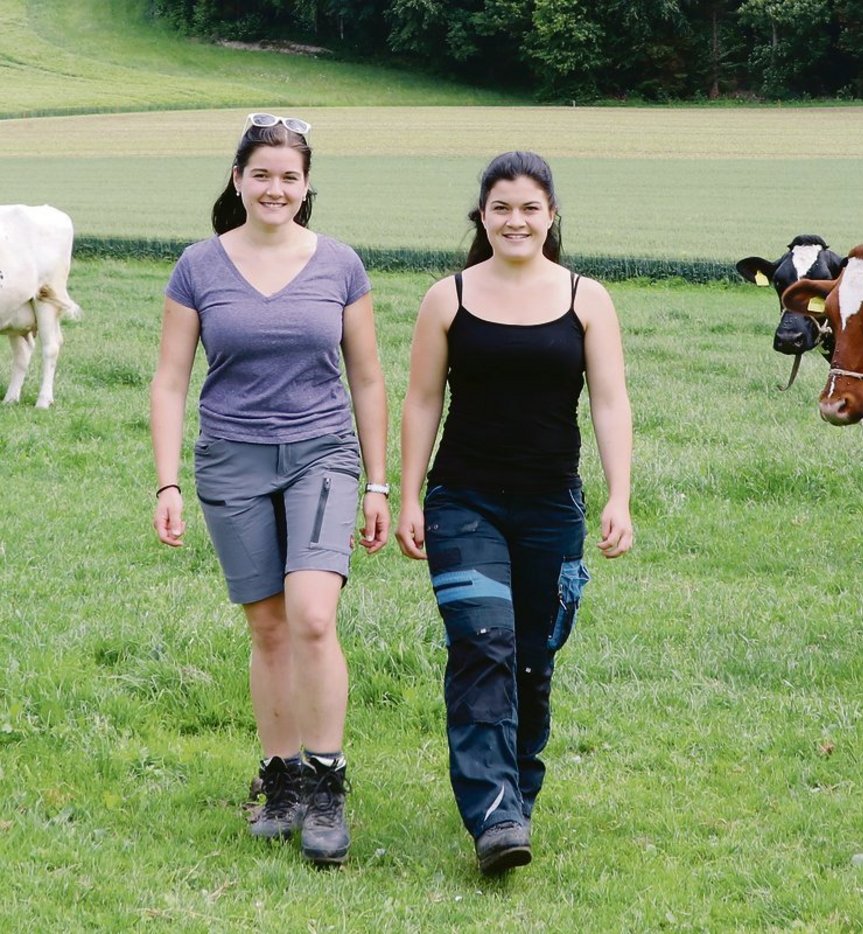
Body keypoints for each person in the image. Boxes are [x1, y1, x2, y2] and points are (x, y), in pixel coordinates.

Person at [150, 113, 389, 867]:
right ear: (237, 179)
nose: (275, 188)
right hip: (231, 459)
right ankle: (280, 778)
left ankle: (326, 785)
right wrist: (166, 481)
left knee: (313, 616)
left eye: (289, 176)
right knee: (269, 628)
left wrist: (377, 481)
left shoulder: (341, 265)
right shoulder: (198, 267)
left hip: (322, 453)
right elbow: (169, 380)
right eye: (262, 174)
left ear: (307, 185)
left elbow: (369, 378)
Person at [396, 150, 633, 875]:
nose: (515, 220)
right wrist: (406, 492)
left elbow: (610, 401)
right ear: (482, 216)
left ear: (552, 216)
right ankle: (493, 814)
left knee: (533, 658)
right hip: (462, 499)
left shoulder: (586, 298)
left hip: (551, 505)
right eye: (501, 207)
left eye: (530, 207)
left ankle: (517, 795)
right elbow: (422, 400)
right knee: (482, 644)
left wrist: (619, 494)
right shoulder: (449, 298)